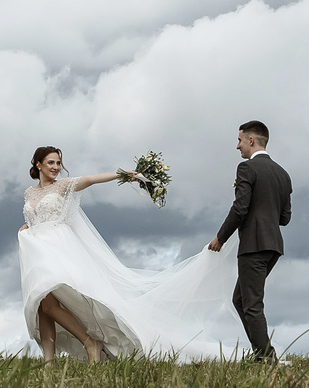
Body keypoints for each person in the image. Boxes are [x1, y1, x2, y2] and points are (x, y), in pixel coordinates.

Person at [17, 145, 242, 361]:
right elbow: (36, 215)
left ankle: (90, 343)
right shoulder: (29, 192)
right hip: (36, 251)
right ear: (38, 164)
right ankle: (49, 361)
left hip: (59, 250)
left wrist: (124, 175)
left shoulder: (63, 186)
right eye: (51, 163)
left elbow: (91, 179)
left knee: (48, 304)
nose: (56, 167)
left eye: (58, 163)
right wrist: (28, 226)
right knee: (42, 305)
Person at [206, 120, 291, 362]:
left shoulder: (246, 168)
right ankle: (262, 351)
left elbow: (240, 208)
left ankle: (266, 357)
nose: (237, 146)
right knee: (240, 299)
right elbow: (285, 218)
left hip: (254, 245)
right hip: (274, 246)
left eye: (240, 140)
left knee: (251, 304)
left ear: (251, 140)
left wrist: (221, 237)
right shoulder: (283, 174)